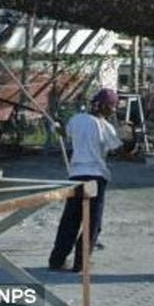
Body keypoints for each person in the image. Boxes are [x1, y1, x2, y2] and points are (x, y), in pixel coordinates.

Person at [49, 88, 123, 272]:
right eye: (112, 107)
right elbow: (119, 148)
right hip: (96, 177)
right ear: (104, 106)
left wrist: (55, 125)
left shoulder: (76, 119)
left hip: (75, 175)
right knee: (92, 222)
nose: (113, 111)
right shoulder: (105, 127)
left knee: (70, 219)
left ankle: (56, 260)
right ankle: (81, 263)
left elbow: (64, 133)